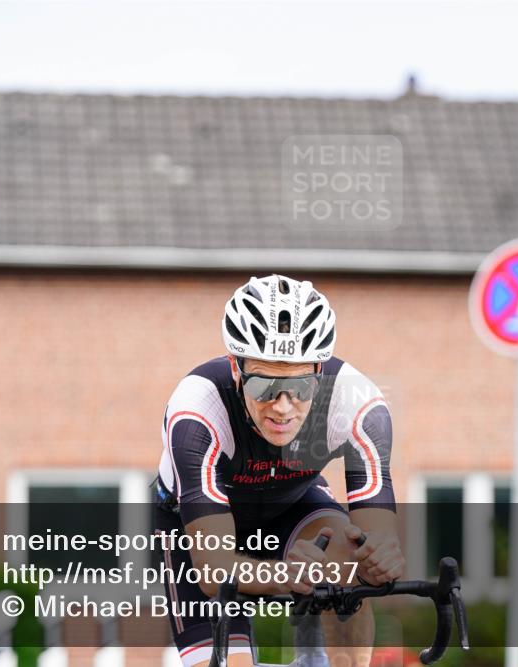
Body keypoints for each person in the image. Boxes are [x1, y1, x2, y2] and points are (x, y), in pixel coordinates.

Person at [154, 274, 404, 667]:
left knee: (347, 556)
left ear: (319, 370)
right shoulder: (198, 408)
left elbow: (377, 542)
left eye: (300, 387)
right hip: (198, 531)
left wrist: (380, 560)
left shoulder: (358, 404)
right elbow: (214, 571)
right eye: (264, 388)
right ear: (236, 369)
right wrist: (285, 575)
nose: (283, 407)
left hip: (293, 505)